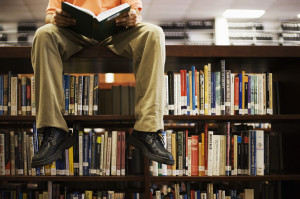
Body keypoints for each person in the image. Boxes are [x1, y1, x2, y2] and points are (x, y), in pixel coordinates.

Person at [31, 0, 174, 168]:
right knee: (43, 34)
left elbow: (135, 12)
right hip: (73, 33)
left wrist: (133, 18)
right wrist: (55, 19)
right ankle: (53, 130)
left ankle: (147, 130)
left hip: (117, 33)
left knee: (154, 33)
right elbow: (50, 15)